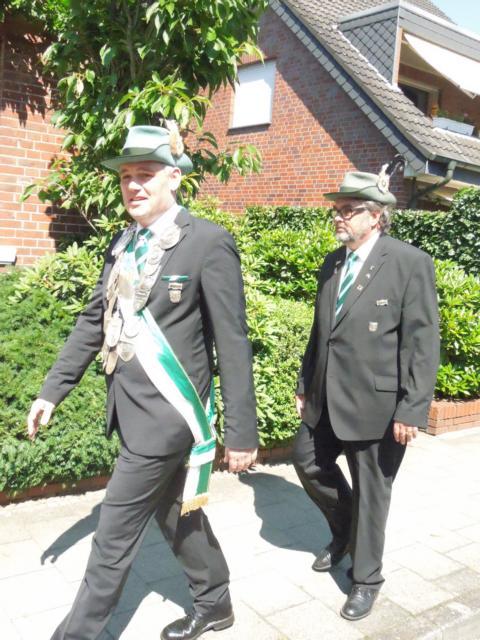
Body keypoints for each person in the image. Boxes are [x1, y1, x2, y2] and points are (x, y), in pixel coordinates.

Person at [27, 124, 258, 640]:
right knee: (176, 511)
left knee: (112, 537)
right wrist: (52, 390)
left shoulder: (208, 243)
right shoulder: (123, 242)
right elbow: (95, 320)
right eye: (126, 176)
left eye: (145, 174)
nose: (133, 185)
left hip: (168, 418)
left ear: (174, 177)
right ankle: (215, 601)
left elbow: (232, 342)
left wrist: (242, 432)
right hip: (130, 410)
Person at [293, 166, 439, 621]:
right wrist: (304, 384)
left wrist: (412, 409)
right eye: (336, 210)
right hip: (325, 396)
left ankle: (366, 579)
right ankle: (346, 530)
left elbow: (422, 342)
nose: (338, 217)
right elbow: (320, 333)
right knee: (307, 461)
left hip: (378, 405)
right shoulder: (333, 262)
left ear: (376, 215)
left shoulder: (409, 263)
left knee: (373, 493)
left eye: (348, 210)